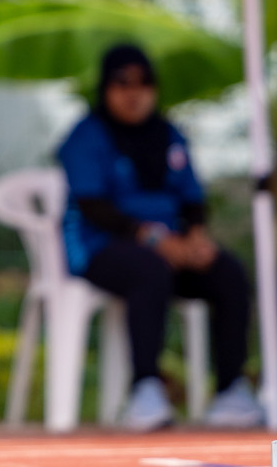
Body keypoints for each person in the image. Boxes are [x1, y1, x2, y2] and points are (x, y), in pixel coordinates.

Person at [58, 44, 262, 430]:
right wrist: (155, 240)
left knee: (228, 270)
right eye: (122, 83)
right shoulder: (88, 135)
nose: (134, 92)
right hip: (102, 248)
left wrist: (196, 239)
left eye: (144, 82)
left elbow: (192, 199)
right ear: (105, 88)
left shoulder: (168, 135)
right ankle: (145, 389)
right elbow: (93, 206)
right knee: (149, 270)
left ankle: (231, 389)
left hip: (171, 249)